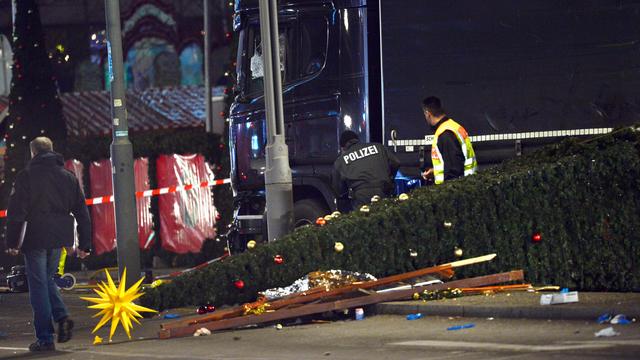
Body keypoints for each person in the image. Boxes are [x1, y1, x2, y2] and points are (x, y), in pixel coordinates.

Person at [4, 137, 91, 352]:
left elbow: (16, 212)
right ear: (52, 151)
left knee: (38, 286)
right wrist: (85, 244)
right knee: (48, 279)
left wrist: (12, 242)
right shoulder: (68, 177)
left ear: (33, 153)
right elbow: (82, 212)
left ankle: (45, 338)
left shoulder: (26, 177)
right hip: (60, 237)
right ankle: (61, 317)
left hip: (35, 236)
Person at [333, 130, 400, 210]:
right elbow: (396, 162)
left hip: (361, 195)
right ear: (357, 140)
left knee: (364, 220)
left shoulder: (341, 160)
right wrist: (390, 178)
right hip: (384, 189)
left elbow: (338, 189)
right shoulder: (378, 147)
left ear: (343, 148)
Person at [420, 96, 477, 184]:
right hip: (468, 185)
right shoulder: (452, 126)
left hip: (458, 190)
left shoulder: (445, 134)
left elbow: (454, 170)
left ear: (428, 114)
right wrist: (435, 172)